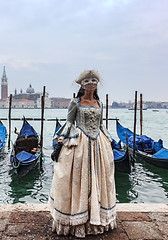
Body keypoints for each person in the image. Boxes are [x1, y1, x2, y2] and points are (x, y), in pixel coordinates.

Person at [49, 70, 117, 238]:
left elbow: (101, 125)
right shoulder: (75, 102)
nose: (91, 84)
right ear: (82, 85)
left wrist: (109, 140)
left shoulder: (99, 103)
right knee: (77, 179)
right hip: (79, 144)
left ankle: (97, 217)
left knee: (100, 178)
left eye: (94, 82)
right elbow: (69, 123)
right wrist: (60, 145)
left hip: (99, 144)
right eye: (87, 82)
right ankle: (76, 219)